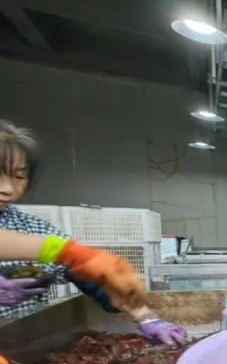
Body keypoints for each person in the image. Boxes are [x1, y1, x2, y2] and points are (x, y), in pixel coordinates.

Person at [0, 121, 186, 346]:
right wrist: (72, 252)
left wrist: (147, 318)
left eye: (18, 177)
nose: (8, 188)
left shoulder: (31, 228)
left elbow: (93, 277)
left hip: (20, 348)